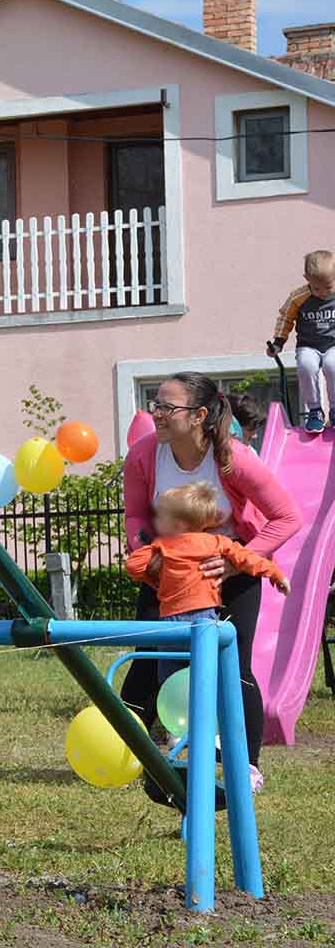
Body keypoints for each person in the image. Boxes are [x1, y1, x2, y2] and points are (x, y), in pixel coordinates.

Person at [123, 372, 300, 796]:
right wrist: (143, 554)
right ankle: (134, 756)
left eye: (167, 407)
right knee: (148, 661)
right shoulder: (144, 455)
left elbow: (287, 516)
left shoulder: (232, 458)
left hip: (229, 572)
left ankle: (248, 765)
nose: (157, 414)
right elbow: (135, 517)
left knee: (233, 670)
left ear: (200, 415)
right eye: (155, 405)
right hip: (167, 572)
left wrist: (242, 564)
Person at [126, 481, 289, 688]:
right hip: (204, 619)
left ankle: (173, 709)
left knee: (169, 676)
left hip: (170, 621)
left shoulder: (163, 546)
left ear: (179, 525)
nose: (156, 522)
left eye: (161, 517)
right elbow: (248, 559)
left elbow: (133, 566)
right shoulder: (216, 542)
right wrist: (275, 574)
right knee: (206, 676)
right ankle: (206, 713)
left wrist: (154, 572)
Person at [268, 249, 335, 433]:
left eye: (328, 287)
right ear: (307, 280)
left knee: (332, 366)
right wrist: (278, 342)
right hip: (309, 346)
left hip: (333, 346)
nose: (322, 293)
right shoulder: (299, 297)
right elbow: (285, 318)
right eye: (316, 288)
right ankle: (315, 411)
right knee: (306, 366)